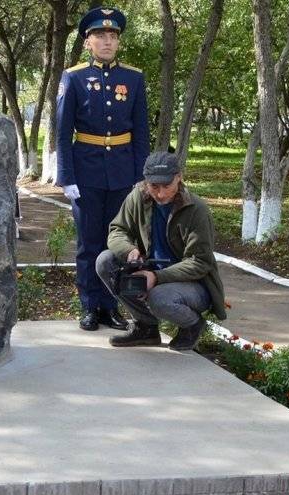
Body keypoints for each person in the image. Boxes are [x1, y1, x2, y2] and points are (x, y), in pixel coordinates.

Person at [56, 6, 150, 332]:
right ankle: (88, 307)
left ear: (118, 42)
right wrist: (66, 176)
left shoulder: (134, 78)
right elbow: (62, 131)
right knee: (88, 243)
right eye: (100, 36)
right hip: (86, 173)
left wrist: (142, 177)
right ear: (88, 42)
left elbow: (141, 132)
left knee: (119, 244)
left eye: (112, 36)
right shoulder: (74, 77)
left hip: (123, 173)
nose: (107, 41)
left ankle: (111, 307)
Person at [95, 151, 227, 351]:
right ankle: (146, 327)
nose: (161, 193)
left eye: (167, 186)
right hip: (149, 271)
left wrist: (156, 276)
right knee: (105, 262)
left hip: (192, 284)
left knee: (159, 298)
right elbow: (117, 230)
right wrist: (129, 251)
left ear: (179, 178)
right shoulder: (137, 197)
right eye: (154, 186)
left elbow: (199, 262)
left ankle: (193, 324)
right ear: (145, 181)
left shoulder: (197, 210)